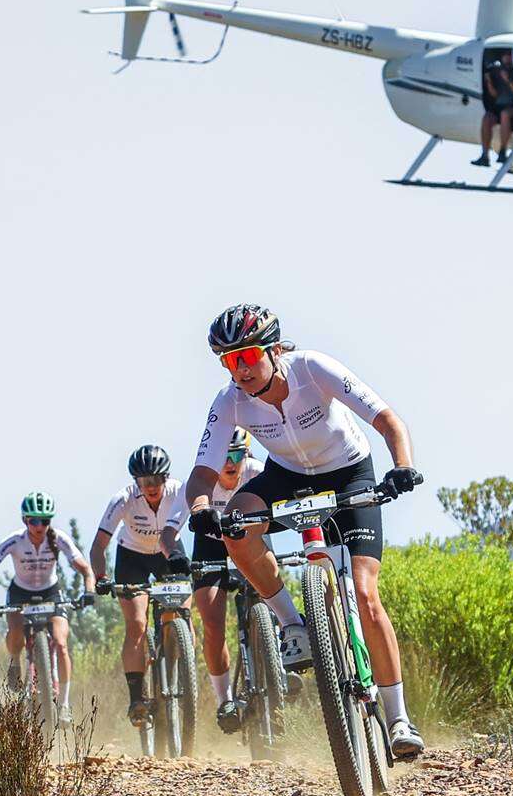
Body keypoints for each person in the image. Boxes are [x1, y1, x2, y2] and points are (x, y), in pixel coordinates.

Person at [184, 304, 428, 759]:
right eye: (227, 361)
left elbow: (387, 420)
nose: (239, 370)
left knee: (365, 595)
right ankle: (293, 624)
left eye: (246, 356)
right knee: (236, 525)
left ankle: (398, 718)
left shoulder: (312, 369)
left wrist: (402, 467)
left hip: (348, 472)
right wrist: (200, 508)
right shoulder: (229, 402)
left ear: (274, 350)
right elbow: (202, 475)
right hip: (288, 476)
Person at [90, 444, 191, 725]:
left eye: (157, 479)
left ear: (166, 478)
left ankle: (184, 671)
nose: (151, 486)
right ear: (136, 481)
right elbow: (98, 546)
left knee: (184, 608)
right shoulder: (122, 499)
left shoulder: (178, 490)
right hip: (131, 557)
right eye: (144, 481)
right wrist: (100, 577)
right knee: (136, 624)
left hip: (169, 553)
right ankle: (136, 698)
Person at [0, 491, 95, 723]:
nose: (40, 526)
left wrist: (88, 592)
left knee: (61, 644)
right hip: (20, 593)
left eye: (45, 521)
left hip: (51, 591)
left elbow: (85, 569)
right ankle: (14, 660)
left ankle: (65, 704)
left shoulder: (58, 538)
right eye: (34, 521)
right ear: (24, 520)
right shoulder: (15, 541)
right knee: (16, 634)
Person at [191, 428, 265, 732]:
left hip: (249, 539)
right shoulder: (201, 481)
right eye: (223, 455)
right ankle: (225, 701)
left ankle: (275, 660)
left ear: (246, 455)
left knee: (269, 595)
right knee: (213, 622)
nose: (229, 462)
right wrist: (172, 553)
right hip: (211, 544)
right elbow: (172, 525)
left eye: (236, 454)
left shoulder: (259, 472)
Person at [473, 54, 513, 166]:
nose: (507, 58)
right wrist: (489, 81)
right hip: (499, 105)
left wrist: (508, 79)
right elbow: (494, 94)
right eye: (505, 56)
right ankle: (484, 155)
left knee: (505, 114)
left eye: (509, 56)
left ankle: (503, 151)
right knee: (487, 118)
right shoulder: (497, 72)